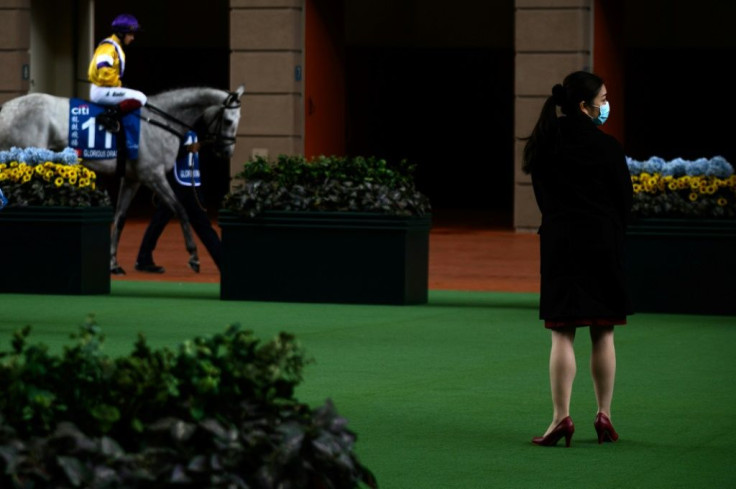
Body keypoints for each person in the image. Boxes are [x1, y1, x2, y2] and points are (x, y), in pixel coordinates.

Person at [522, 71, 633, 447]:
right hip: (605, 243)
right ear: (584, 106)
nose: (606, 105)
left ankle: (560, 419)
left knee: (562, 333)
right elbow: (624, 201)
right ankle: (604, 415)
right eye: (602, 99)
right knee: (604, 331)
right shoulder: (609, 147)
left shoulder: (543, 144)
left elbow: (542, 200)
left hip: (561, 243)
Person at [134, 133, 221, 273]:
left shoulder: (192, 131)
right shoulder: (173, 131)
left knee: (204, 226)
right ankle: (143, 258)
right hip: (176, 185)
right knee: (159, 222)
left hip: (192, 184)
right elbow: (166, 155)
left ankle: (223, 262)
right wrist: (187, 149)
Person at [88, 13, 147, 133]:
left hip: (105, 89)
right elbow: (104, 72)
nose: (132, 38)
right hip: (101, 91)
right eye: (130, 34)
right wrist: (118, 83)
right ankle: (108, 116)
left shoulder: (115, 46)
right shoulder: (108, 47)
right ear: (121, 33)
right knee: (141, 98)